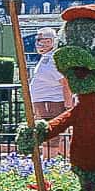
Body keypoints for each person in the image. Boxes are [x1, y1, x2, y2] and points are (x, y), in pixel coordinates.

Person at [28, 27, 73, 158]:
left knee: (51, 134)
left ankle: (49, 163)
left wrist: (68, 105)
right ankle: (74, 162)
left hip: (51, 102)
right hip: (44, 102)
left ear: (51, 42)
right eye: (39, 40)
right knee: (51, 134)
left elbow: (65, 82)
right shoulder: (46, 58)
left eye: (43, 41)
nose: (40, 44)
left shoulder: (53, 59)